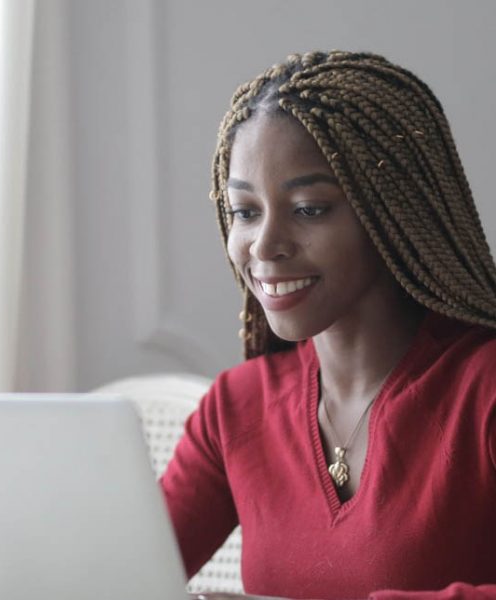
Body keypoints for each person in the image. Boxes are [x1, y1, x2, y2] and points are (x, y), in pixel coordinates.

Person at [160, 51, 496, 599]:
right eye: (245, 211)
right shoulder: (235, 410)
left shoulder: (483, 391)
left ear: (391, 211)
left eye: (309, 209)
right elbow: (111, 569)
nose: (265, 245)